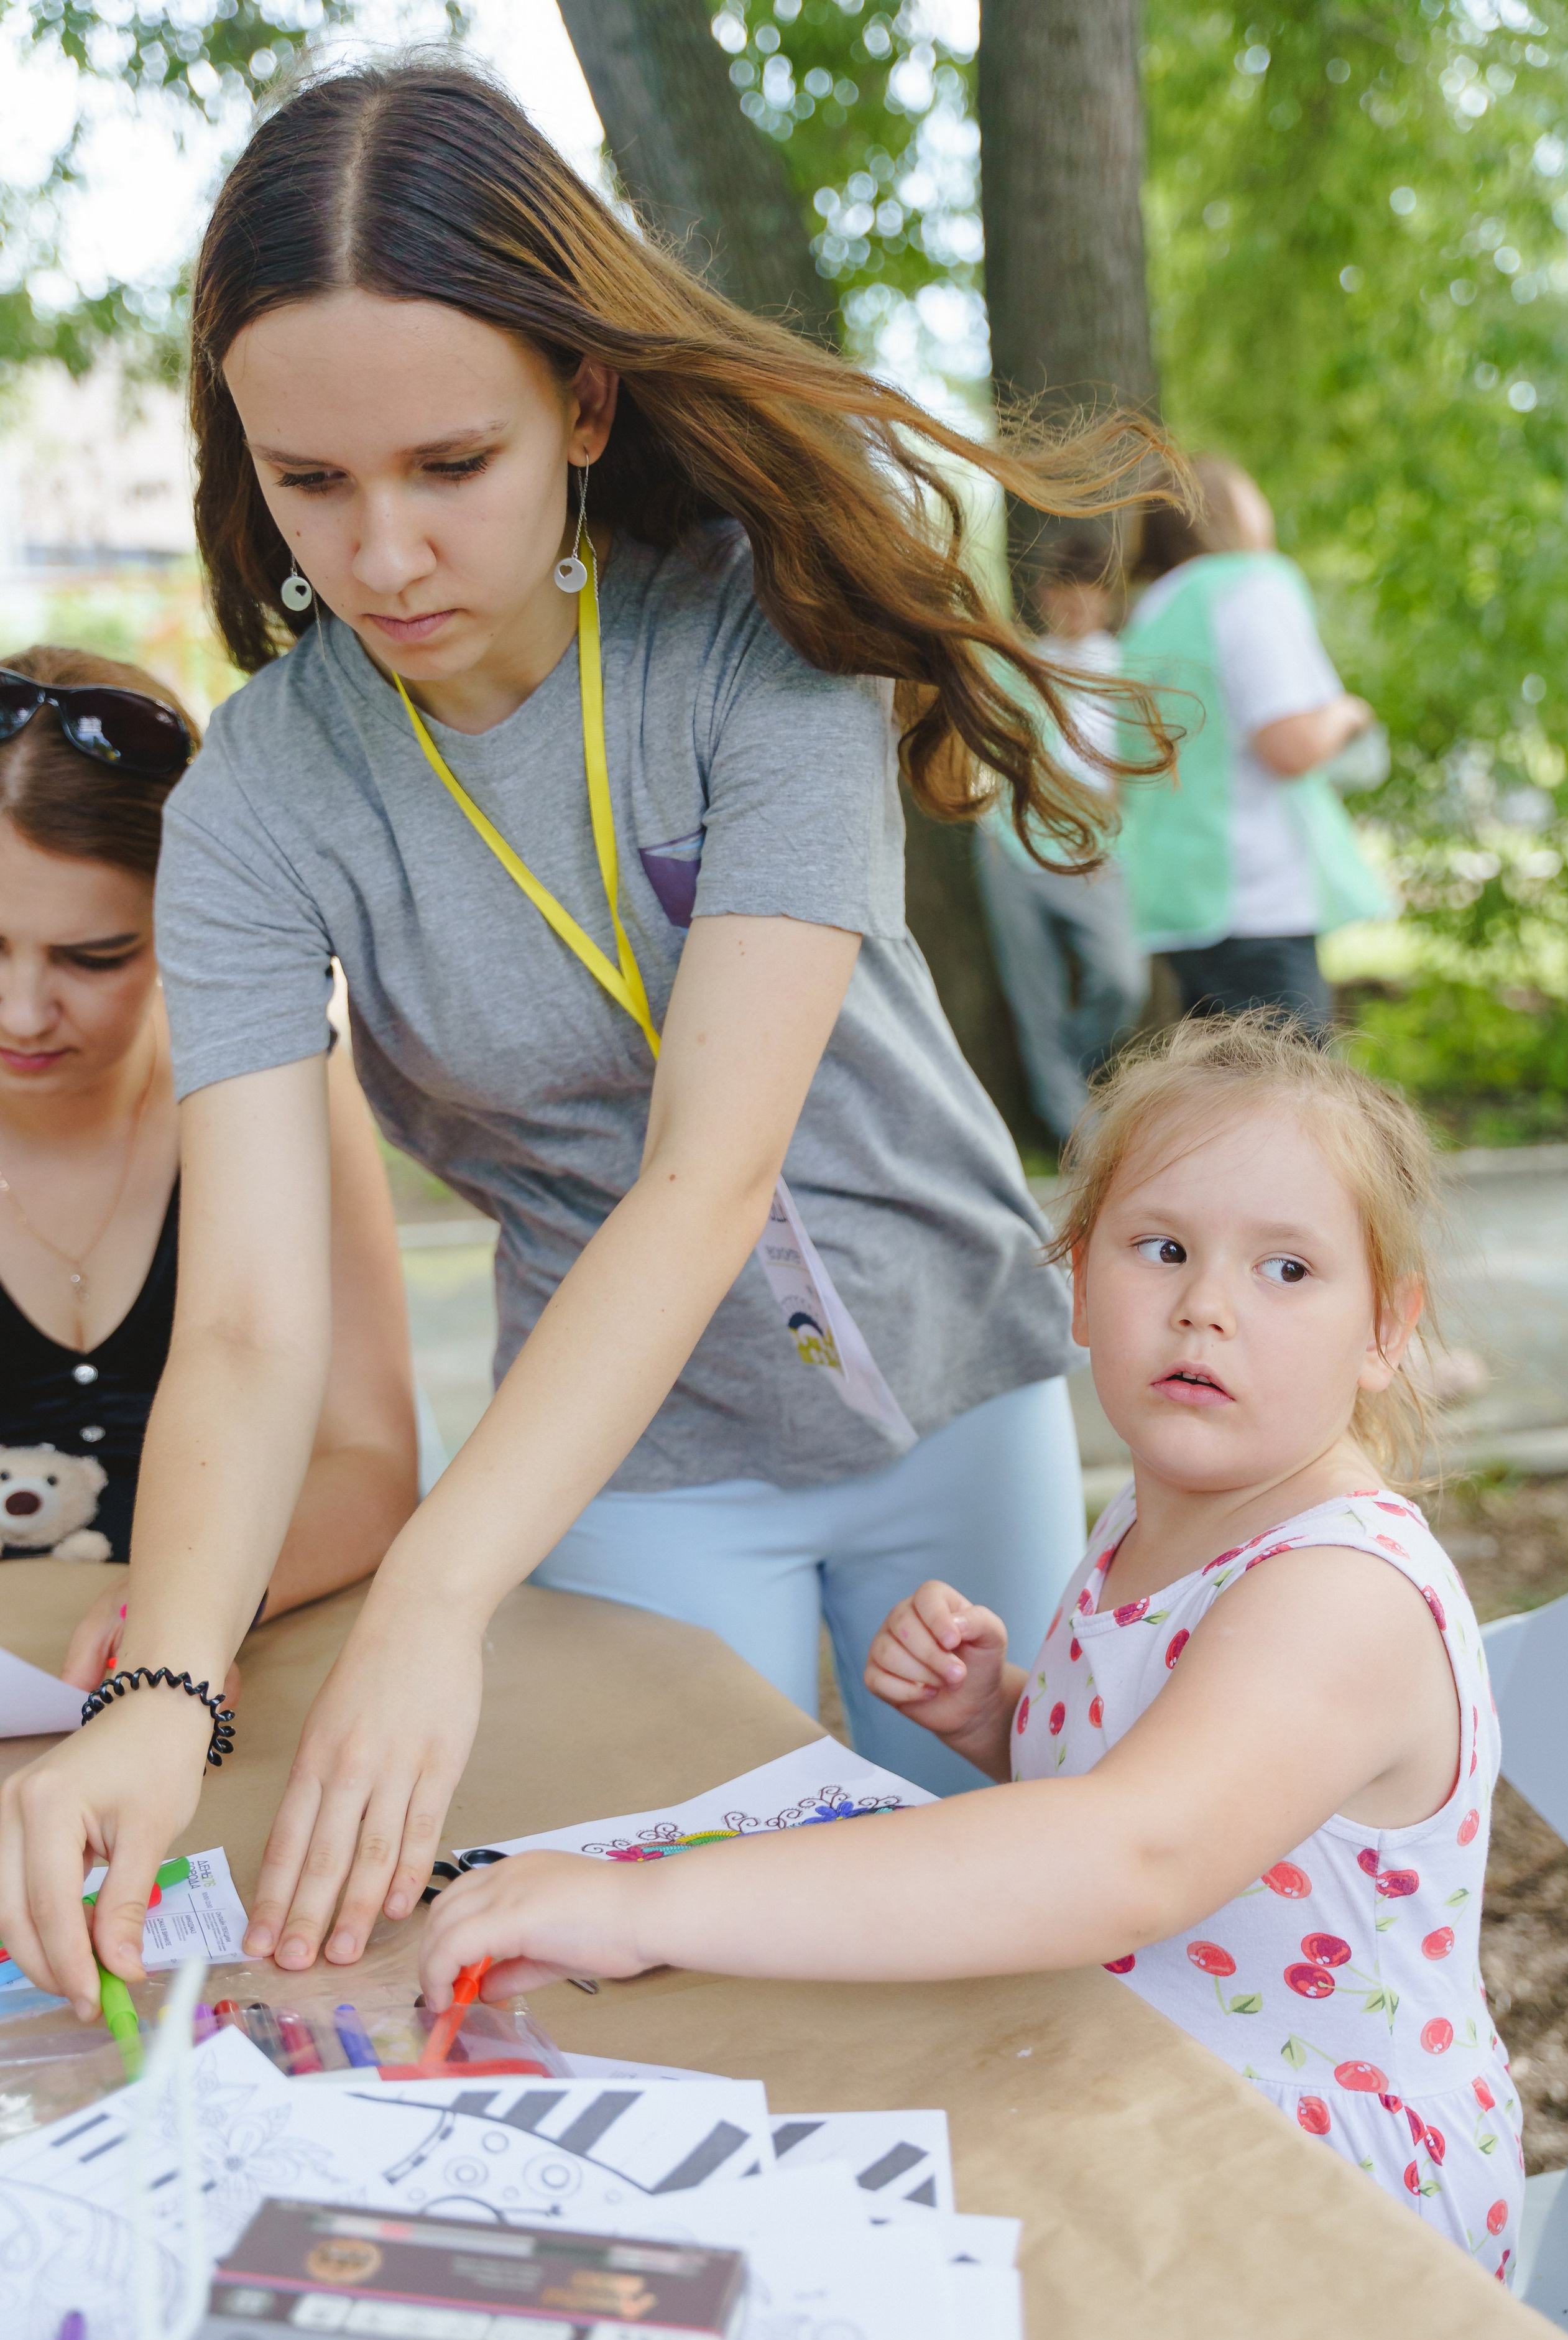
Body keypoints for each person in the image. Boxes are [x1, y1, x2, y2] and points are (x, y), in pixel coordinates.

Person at [0, 58, 1179, 2013]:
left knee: (1024, 1943)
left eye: (446, 464)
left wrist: (436, 1590)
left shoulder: (758, 642)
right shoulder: (253, 810)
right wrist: (163, 1685)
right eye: (313, 480)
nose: (379, 559)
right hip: (627, 1451)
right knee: (664, 1974)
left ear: (582, 400)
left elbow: (711, 1176)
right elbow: (251, 1319)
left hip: (954, 1380)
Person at [418, 1014, 1522, 2279]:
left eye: (1285, 1271)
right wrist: (998, 1718)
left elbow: (1133, 1850)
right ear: (1074, 1283)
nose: (1204, 1308)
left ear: (1385, 1327)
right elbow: (1163, 1784)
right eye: (1159, 1249)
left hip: (1335, 2206)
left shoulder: (1336, 1591)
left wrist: (640, 1903)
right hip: (1135, 2087)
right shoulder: (1157, 1515)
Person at [0, 646, 418, 1653]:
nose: (23, 1012)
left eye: (94, 957)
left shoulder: (273, 1081)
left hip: (233, 1656)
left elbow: (370, 1463)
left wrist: (182, 1627)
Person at [1118, 455, 1391, 1034]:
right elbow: (1289, 745)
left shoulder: (1151, 615)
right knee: (1290, 1106)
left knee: (1224, 1100)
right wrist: (1346, 714)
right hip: (1255, 900)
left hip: (1179, 904)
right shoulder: (1249, 585)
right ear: (1229, 510)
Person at [974, 522, 1148, 1145]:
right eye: (1064, 591)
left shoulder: (1130, 667)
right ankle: (1078, 1139)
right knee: (1035, 996)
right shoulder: (1020, 666)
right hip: (1012, 844)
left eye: (1089, 593)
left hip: (1097, 849)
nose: (1076, 606)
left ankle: (1079, 1067)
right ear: (1045, 595)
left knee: (1120, 978)